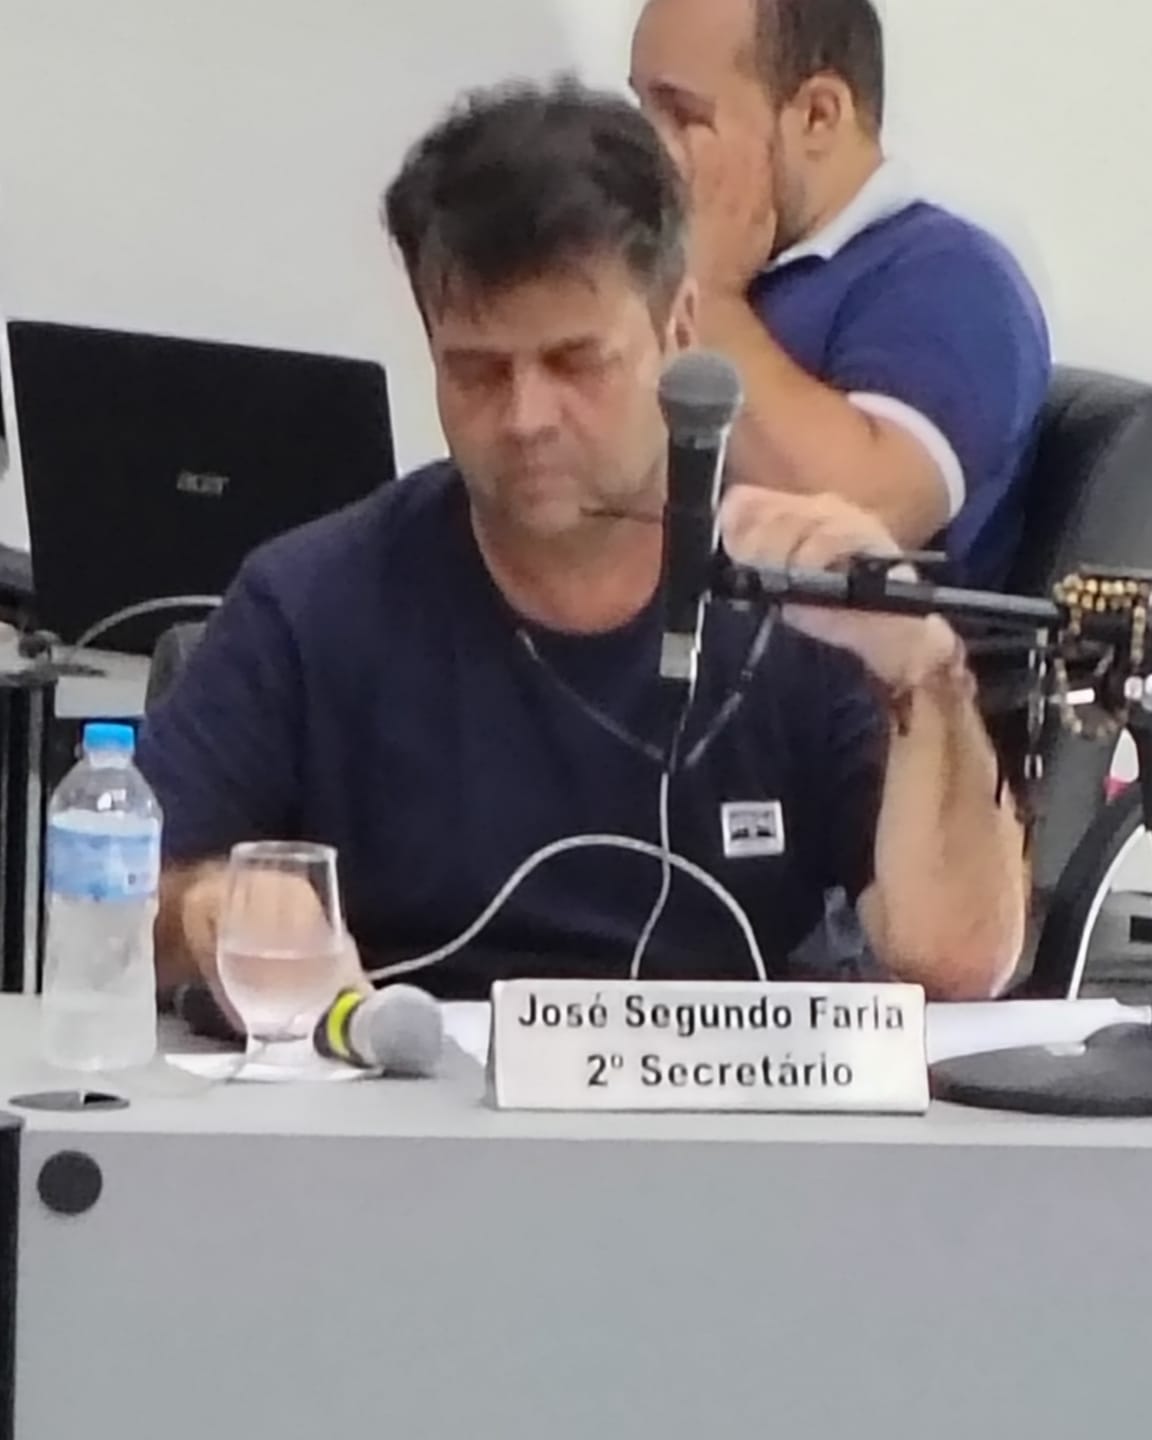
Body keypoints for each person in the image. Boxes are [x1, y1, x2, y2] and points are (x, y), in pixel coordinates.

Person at [139, 80, 1025, 1012]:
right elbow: (119, 902)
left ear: (679, 331)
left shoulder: (801, 602)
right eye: (477, 372)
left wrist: (925, 670)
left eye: (575, 363)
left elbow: (959, 964)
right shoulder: (313, 603)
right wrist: (205, 909)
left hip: (726, 1090)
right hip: (406, 1076)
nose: (525, 418)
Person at [630, 0, 1051, 587]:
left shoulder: (954, 279)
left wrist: (710, 299)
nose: (648, 152)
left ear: (818, 115)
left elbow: (859, 514)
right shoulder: (695, 260)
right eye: (641, 111)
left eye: (682, 115)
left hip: (806, 646)